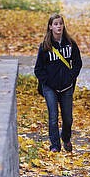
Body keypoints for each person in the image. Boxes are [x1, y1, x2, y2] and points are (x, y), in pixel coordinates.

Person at [33, 13, 82, 152]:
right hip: (50, 88)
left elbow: (77, 63)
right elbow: (38, 69)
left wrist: (71, 77)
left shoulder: (71, 44)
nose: (58, 26)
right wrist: (48, 82)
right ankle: (55, 145)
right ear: (50, 27)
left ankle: (66, 138)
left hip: (66, 87)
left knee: (68, 118)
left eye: (60, 23)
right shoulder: (45, 47)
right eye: (55, 24)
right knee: (53, 117)